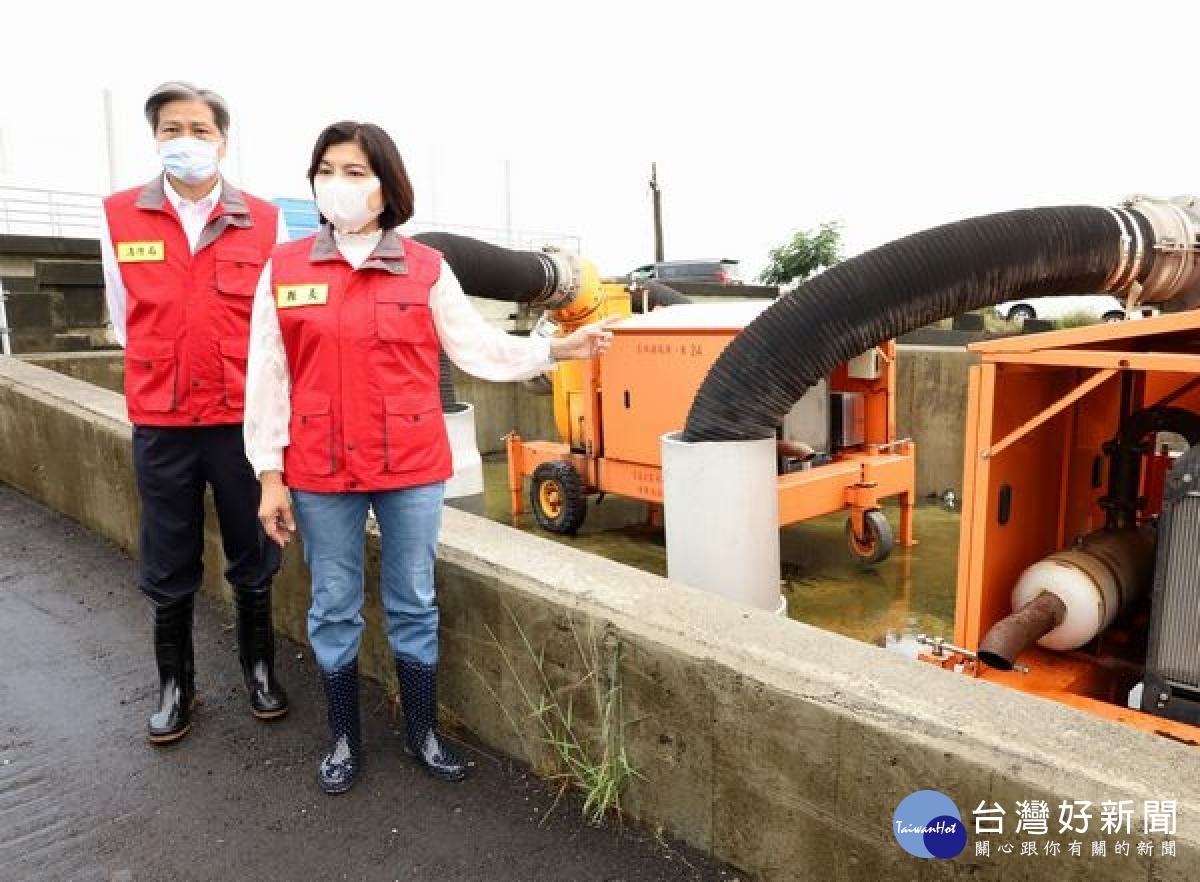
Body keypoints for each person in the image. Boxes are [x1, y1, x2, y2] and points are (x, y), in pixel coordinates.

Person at [244, 121, 613, 794]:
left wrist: (557, 350)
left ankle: (421, 732)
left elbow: (475, 348)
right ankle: (345, 739)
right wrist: (270, 474)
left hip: (410, 463)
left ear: (387, 187)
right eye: (327, 170)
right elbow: (268, 374)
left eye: (356, 172)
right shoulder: (286, 269)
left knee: (413, 597)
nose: (339, 185)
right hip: (321, 467)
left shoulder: (425, 267)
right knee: (333, 602)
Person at [101, 81, 290, 745]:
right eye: (172, 129)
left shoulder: (265, 221)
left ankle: (259, 669)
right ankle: (175, 686)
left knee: (253, 548)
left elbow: (276, 332)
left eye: (200, 130)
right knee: (168, 554)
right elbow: (126, 321)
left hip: (241, 423)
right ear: (155, 137)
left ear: (223, 140)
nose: (186, 141)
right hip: (163, 423)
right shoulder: (119, 216)